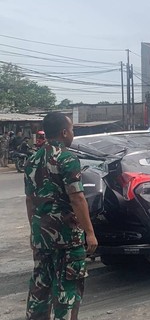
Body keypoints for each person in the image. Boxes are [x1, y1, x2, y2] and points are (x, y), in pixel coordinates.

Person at [24, 112, 98, 320]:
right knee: (68, 286)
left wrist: (34, 231)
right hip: (67, 237)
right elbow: (77, 199)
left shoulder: (32, 159)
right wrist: (89, 233)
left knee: (41, 284)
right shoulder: (67, 158)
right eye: (72, 129)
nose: (73, 133)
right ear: (64, 132)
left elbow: (30, 200)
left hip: (41, 236)